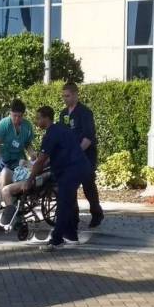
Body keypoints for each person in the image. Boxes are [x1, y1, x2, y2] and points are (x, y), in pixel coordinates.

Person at [24, 106, 91, 252]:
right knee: (69, 202)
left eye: (38, 118)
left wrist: (29, 180)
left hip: (71, 170)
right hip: (80, 166)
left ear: (45, 118)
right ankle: (71, 235)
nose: (36, 121)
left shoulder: (51, 135)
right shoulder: (62, 129)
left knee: (63, 204)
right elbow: (54, 156)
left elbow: (41, 161)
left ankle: (56, 240)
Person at [59, 82, 104, 228]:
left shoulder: (85, 113)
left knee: (88, 184)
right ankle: (74, 217)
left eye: (68, 96)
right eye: (63, 96)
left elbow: (88, 137)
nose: (65, 99)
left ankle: (97, 213)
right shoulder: (63, 114)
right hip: (70, 155)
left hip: (86, 154)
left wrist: (77, 153)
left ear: (76, 94)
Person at [0, 99, 37, 213]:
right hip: (0, 155)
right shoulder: (4, 124)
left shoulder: (27, 126)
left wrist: (31, 153)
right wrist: (0, 158)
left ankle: (12, 208)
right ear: (10, 113)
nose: (16, 119)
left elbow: (28, 144)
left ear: (23, 115)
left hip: (18, 157)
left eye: (19, 116)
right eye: (14, 116)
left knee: (16, 177)